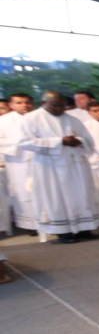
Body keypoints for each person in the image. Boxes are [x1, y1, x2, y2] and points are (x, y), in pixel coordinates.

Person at [19, 92, 99, 243]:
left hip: (76, 165)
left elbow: (88, 140)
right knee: (56, 198)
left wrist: (79, 141)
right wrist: (59, 141)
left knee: (81, 195)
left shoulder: (73, 119)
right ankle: (63, 232)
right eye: (55, 105)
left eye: (62, 105)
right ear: (43, 103)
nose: (59, 108)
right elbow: (25, 142)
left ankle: (84, 229)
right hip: (50, 167)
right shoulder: (31, 119)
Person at [0, 93, 38, 233]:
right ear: (11, 105)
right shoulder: (3, 121)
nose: (24, 105)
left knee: (44, 190)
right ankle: (31, 225)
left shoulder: (39, 118)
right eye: (19, 102)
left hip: (40, 160)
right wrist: (19, 143)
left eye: (27, 102)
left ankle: (50, 221)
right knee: (24, 192)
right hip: (18, 162)